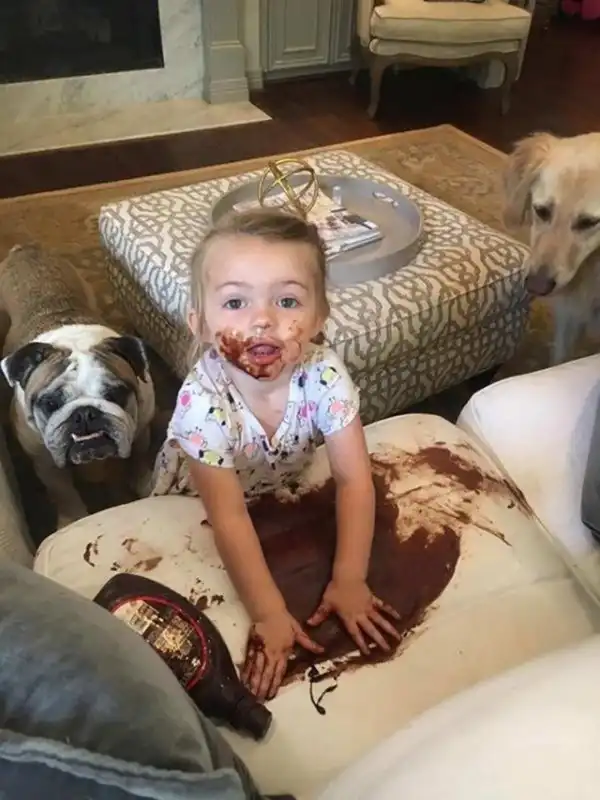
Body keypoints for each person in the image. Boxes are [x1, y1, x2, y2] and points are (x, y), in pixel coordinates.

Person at [152, 208, 401, 702]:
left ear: (318, 318)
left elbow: (354, 480)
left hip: (280, 482)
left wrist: (349, 578)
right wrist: (268, 612)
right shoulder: (202, 404)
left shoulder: (325, 376)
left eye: (287, 300)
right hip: (197, 497)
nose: (263, 319)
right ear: (201, 324)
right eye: (235, 301)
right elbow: (228, 519)